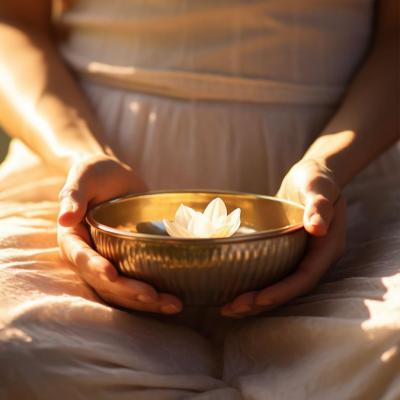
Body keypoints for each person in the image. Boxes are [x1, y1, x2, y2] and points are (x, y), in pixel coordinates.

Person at [0, 0, 399, 399]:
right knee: (17, 344)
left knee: (389, 345)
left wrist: (329, 166)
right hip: (77, 169)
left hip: (348, 185)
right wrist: (78, 155)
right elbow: (12, 21)